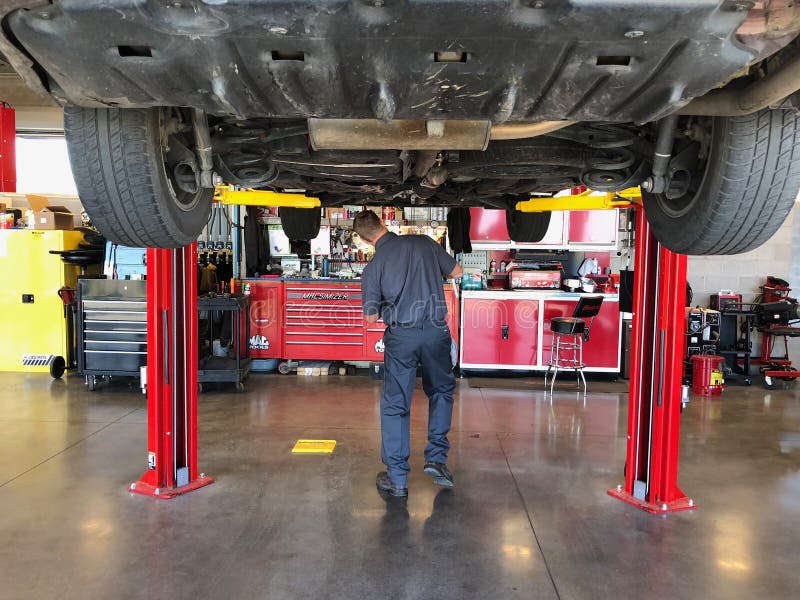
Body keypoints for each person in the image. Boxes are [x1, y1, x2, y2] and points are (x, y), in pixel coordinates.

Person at [353, 210, 463, 498]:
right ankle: (436, 461)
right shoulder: (424, 243)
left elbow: (370, 318)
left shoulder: (373, 266)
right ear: (384, 224)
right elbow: (458, 272)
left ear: (364, 240)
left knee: (396, 403)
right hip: (436, 331)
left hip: (401, 337)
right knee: (440, 391)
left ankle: (397, 478)